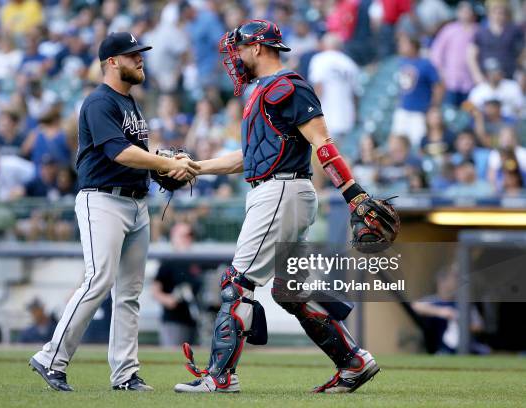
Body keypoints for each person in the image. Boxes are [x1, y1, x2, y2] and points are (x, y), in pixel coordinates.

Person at [175, 19, 397, 394]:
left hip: (281, 192)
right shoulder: (263, 90)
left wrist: (353, 194)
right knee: (289, 290)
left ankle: (221, 376)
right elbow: (249, 157)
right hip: (278, 191)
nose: (236, 56)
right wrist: (197, 167)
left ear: (258, 48)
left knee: (236, 284)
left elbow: (323, 143)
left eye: (240, 48)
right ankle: (353, 362)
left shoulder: (287, 86)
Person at [29, 31, 200, 392]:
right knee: (99, 279)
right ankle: (50, 358)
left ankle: (124, 375)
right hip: (102, 200)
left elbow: (140, 157)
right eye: (132, 54)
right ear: (112, 61)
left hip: (136, 202)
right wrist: (165, 164)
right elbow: (119, 153)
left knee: (129, 294)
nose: (140, 59)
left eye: (140, 53)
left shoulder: (130, 103)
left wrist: (167, 161)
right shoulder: (99, 102)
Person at [152, 222, 202, 347]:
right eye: (183, 235)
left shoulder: (196, 260)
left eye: (190, 235)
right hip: (173, 320)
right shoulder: (168, 261)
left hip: (193, 319)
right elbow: (155, 291)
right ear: (174, 237)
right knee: (173, 354)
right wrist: (169, 300)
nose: (188, 238)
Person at [391, 33, 444, 148]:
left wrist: (433, 106)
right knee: (398, 141)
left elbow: (439, 86)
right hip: (403, 109)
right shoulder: (402, 61)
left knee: (416, 144)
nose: (400, 46)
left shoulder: (426, 64)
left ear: (413, 46)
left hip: (419, 112)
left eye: (404, 44)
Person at [308, 33, 360, 140]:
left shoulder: (320, 59)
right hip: (347, 116)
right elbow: (355, 94)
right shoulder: (350, 63)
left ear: (324, 45)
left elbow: (319, 87)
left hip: (327, 116)